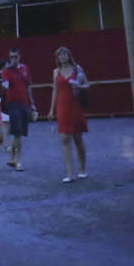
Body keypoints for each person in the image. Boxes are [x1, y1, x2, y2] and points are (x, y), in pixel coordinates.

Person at [48, 46, 89, 183]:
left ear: (69, 55)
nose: (63, 56)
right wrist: (51, 110)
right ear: (57, 58)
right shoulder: (56, 72)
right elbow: (55, 90)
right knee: (65, 138)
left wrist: (79, 86)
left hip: (75, 106)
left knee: (78, 138)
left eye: (65, 53)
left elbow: (87, 85)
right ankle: (69, 173)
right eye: (60, 54)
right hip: (62, 106)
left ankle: (82, 169)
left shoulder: (77, 69)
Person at [1, 47, 33, 171]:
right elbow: (5, 87)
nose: (13, 59)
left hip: (24, 102)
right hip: (13, 103)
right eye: (11, 57)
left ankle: (11, 158)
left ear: (19, 57)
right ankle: (18, 160)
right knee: (18, 132)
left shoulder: (25, 68)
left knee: (17, 134)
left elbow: (28, 85)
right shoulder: (7, 71)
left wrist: (32, 102)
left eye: (15, 56)